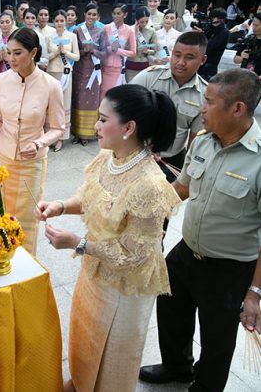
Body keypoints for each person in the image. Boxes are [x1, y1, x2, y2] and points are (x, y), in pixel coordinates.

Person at [36, 84, 180, 392]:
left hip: (123, 289)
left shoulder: (150, 185)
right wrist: (60, 206)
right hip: (95, 271)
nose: (95, 126)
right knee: (85, 339)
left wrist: (78, 243)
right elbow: (90, 198)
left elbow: (136, 255)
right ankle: (80, 382)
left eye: (103, 120)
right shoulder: (108, 157)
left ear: (129, 127)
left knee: (112, 359)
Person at [139, 68, 261, 392]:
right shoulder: (205, 142)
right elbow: (181, 188)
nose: (200, 109)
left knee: (217, 338)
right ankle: (176, 367)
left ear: (237, 108)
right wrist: (138, 208)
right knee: (170, 309)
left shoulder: (259, 160)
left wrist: (254, 294)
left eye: (208, 102)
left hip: (229, 266)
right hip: (187, 249)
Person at [0, 27, 64, 254]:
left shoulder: (51, 85)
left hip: (32, 163)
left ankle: (24, 269)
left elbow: (58, 128)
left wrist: (39, 143)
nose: (11, 59)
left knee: (26, 222)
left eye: (17, 53)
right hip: (2, 161)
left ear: (34, 52)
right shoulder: (1, 80)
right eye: (8, 53)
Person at [132, 31, 208, 183]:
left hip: (171, 162)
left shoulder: (205, 96)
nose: (180, 62)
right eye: (177, 55)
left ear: (203, 60)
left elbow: (196, 140)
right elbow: (123, 112)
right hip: (136, 155)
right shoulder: (148, 77)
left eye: (189, 57)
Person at [72, 3, 106, 146]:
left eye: (94, 14)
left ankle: (88, 134)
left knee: (91, 101)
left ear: (98, 16)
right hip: (79, 70)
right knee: (78, 99)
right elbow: (74, 53)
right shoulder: (77, 31)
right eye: (89, 14)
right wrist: (84, 51)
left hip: (94, 70)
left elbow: (105, 53)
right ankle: (76, 132)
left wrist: (93, 51)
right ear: (84, 14)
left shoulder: (101, 31)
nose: (91, 17)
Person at [47, 9, 79, 152]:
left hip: (66, 73)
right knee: (52, 105)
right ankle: (50, 136)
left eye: (62, 20)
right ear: (53, 22)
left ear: (66, 21)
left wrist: (65, 52)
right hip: (52, 73)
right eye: (57, 21)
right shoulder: (48, 36)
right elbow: (44, 57)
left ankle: (61, 137)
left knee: (64, 104)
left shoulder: (72, 36)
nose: (59, 23)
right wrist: (55, 53)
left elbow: (77, 56)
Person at [101, 3, 137, 102]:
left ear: (125, 15)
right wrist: (109, 48)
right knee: (102, 95)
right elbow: (101, 46)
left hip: (118, 68)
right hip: (104, 67)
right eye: (114, 13)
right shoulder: (106, 28)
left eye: (118, 13)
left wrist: (119, 51)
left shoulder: (129, 30)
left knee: (113, 97)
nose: (115, 16)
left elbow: (133, 52)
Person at [125, 7, 160, 82]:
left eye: (146, 21)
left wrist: (148, 51)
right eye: (141, 22)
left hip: (144, 64)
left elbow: (155, 48)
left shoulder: (151, 31)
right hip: (131, 65)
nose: (144, 24)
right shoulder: (129, 30)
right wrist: (135, 35)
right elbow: (125, 48)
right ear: (137, 20)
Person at [195, 8, 229, 81]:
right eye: (212, 17)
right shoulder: (211, 29)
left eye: (216, 18)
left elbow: (210, 45)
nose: (213, 20)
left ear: (222, 19)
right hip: (200, 63)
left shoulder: (224, 32)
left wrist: (201, 33)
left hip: (210, 66)